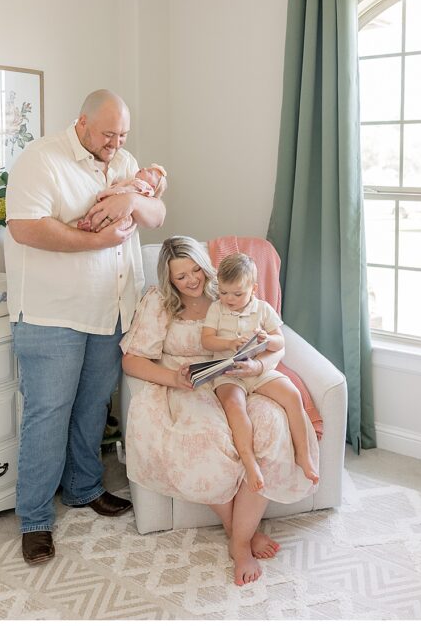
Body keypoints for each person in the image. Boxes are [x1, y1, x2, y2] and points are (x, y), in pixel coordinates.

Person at [4, 89, 166, 565]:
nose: (116, 144)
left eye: (123, 135)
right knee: (48, 413)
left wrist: (131, 197)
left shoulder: (124, 163)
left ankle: (83, 486)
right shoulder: (41, 159)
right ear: (82, 123)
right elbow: (25, 227)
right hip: (52, 313)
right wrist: (98, 240)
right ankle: (35, 519)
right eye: (108, 135)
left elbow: (157, 215)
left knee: (94, 405)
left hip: (110, 309)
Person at [121, 236, 318, 587]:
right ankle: (240, 539)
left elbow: (274, 343)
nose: (192, 280)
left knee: (271, 425)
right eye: (181, 276)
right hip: (187, 384)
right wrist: (173, 378)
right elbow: (132, 360)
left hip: (240, 375)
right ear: (169, 279)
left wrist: (258, 366)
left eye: (196, 270)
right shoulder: (159, 302)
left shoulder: (228, 293)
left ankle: (241, 532)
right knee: (207, 438)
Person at [201, 253, 319, 490]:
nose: (229, 299)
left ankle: (303, 454)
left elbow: (280, 342)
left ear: (253, 289)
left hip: (259, 371)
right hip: (229, 373)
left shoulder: (263, 310)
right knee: (234, 405)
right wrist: (228, 343)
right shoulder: (216, 309)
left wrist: (268, 339)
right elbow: (207, 340)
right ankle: (249, 461)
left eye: (237, 294)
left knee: (293, 395)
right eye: (223, 292)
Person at [76, 163, 167, 232]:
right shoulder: (135, 181)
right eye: (147, 168)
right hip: (111, 210)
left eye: (149, 172)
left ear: (152, 186)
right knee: (99, 215)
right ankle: (89, 226)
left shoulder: (142, 185)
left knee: (103, 218)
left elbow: (123, 191)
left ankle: (89, 226)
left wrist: (106, 193)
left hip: (118, 215)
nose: (144, 168)